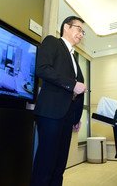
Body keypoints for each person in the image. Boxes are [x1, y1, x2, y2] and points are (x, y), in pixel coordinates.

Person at [31, 16, 87, 186]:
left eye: (83, 32)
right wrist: (72, 84)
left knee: (59, 165)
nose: (81, 34)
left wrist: (76, 118)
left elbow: (78, 90)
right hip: (51, 113)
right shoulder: (52, 42)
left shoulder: (74, 58)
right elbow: (42, 69)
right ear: (66, 27)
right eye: (79, 29)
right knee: (46, 163)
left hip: (67, 117)